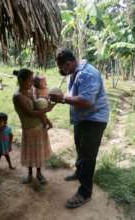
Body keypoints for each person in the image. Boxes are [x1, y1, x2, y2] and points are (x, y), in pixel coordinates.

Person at [49, 49, 109, 208]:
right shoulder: (74, 72)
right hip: (82, 118)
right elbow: (75, 94)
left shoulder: (87, 74)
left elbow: (87, 101)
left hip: (94, 119)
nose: (62, 72)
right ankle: (79, 173)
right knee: (80, 148)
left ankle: (85, 192)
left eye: (63, 68)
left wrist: (62, 99)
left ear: (68, 64)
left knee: (88, 156)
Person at [13, 69, 52, 184]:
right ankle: (30, 174)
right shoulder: (17, 96)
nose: (32, 83)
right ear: (20, 80)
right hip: (29, 129)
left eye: (32, 81)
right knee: (30, 153)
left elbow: (36, 108)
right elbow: (30, 113)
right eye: (29, 81)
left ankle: (39, 173)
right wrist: (48, 109)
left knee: (38, 152)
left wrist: (47, 120)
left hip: (39, 127)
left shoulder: (30, 92)